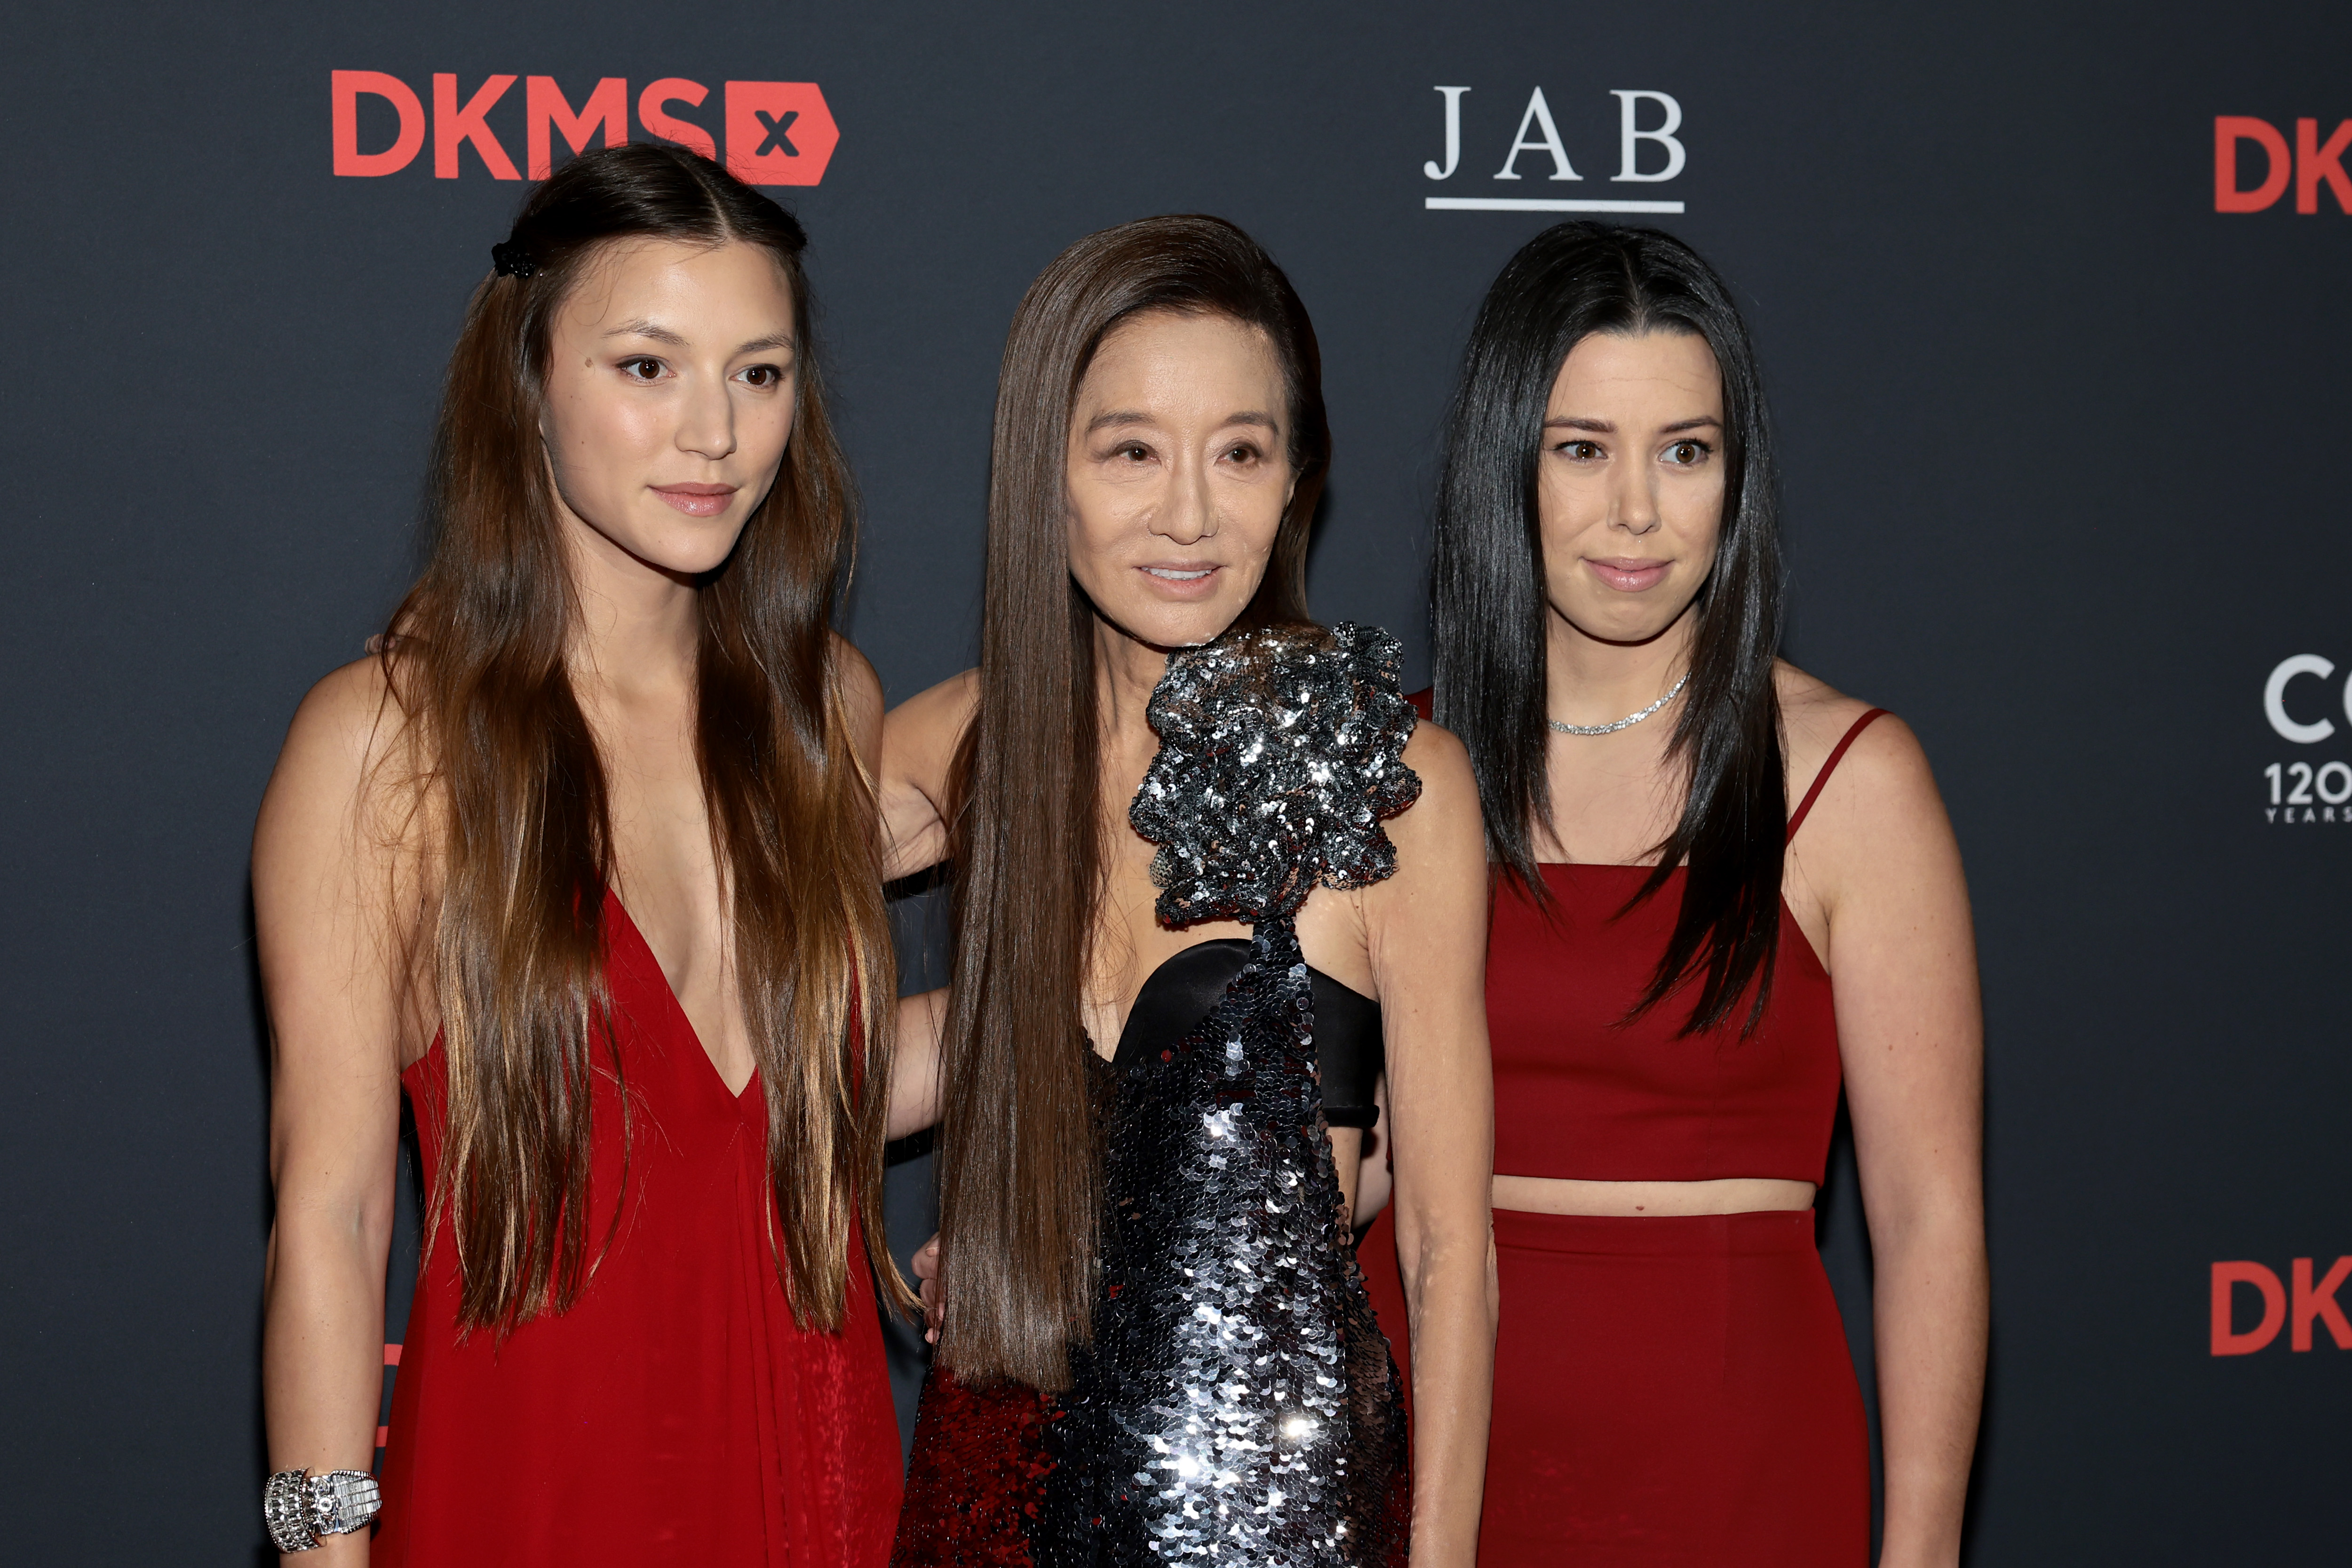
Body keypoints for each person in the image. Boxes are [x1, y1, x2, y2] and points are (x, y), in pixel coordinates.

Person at [252, 143, 904, 1566]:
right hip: (530, 1496)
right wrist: (317, 1549)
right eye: (646, 367)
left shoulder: (827, 716)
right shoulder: (386, 745)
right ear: (529, 385)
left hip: (820, 1479)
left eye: (761, 373)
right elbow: (335, 1211)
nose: (716, 436)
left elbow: (784, 1121)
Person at [1357, 222, 1987, 1565]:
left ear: (1736, 475)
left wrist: (1923, 1552)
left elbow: (1929, 1221)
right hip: (1421, 1451)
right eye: (1581, 449)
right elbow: (1332, 1164)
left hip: (1733, 1465)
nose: (1636, 510)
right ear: (1506, 466)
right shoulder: (1396, 773)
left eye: (1684, 452)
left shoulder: (1846, 780)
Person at [875, 215, 1496, 1568]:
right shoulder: (972, 745)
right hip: (985, 1495)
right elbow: (700, 877)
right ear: (1046, 471)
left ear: (1296, 484)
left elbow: (1450, 1250)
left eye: (1241, 452)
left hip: (1274, 1524)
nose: (1190, 515)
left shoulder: (1390, 778)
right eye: (1132, 452)